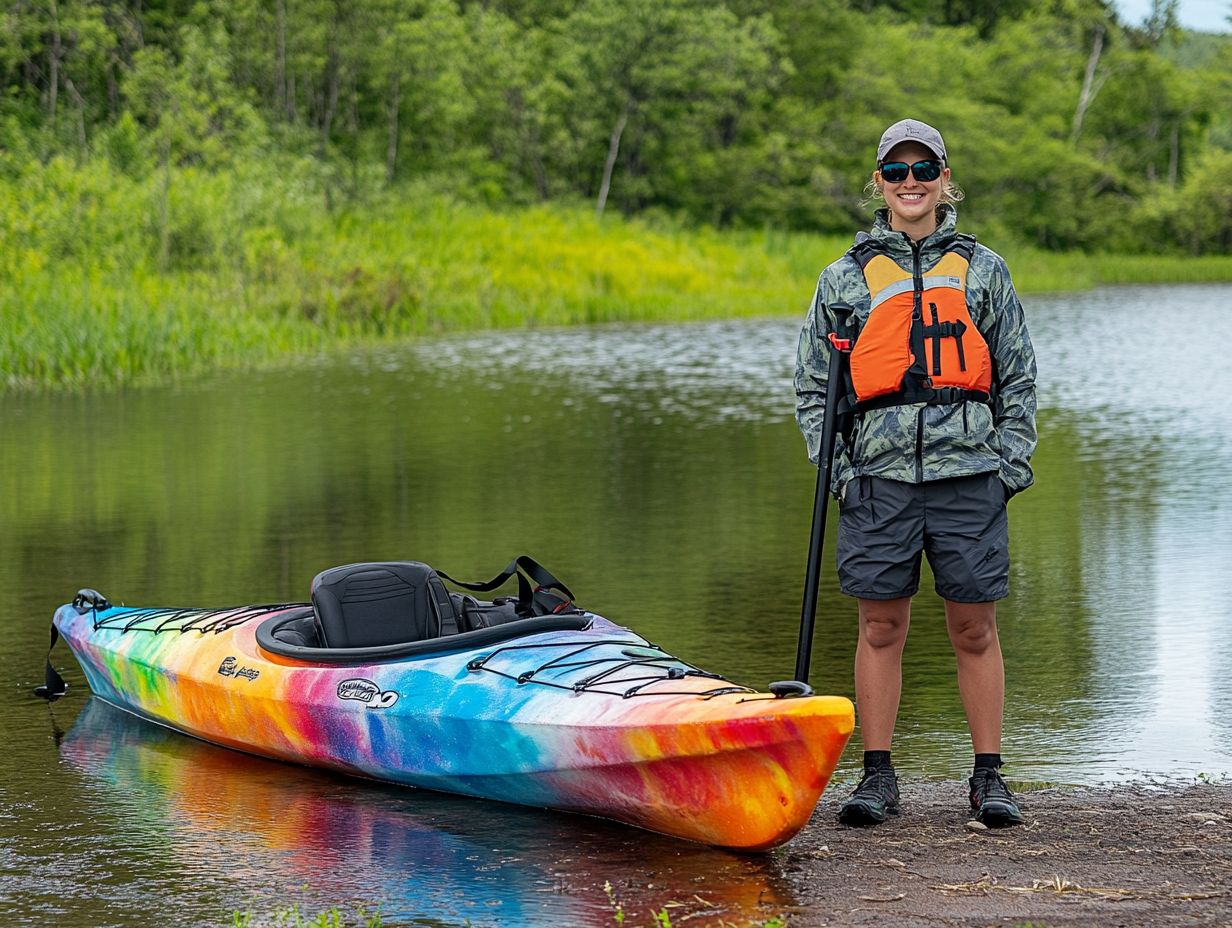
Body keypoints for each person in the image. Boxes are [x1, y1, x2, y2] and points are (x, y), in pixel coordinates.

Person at [793, 118, 1038, 828]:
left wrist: (1008, 467)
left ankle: (988, 777)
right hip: (879, 477)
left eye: (921, 170)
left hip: (970, 475)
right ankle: (877, 777)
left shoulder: (985, 269)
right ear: (879, 181)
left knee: (974, 628)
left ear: (942, 177)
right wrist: (838, 473)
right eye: (895, 172)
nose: (909, 184)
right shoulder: (843, 278)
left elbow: (1018, 376)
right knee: (879, 626)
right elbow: (815, 390)